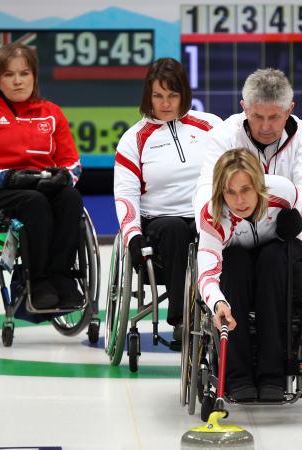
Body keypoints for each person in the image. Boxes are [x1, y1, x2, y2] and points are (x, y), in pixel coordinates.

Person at [0, 42, 84, 310]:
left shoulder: (52, 113)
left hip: (42, 184)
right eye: (9, 75)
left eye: (24, 73)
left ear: (34, 76)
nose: (17, 81)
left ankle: (62, 278)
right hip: (1, 192)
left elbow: (73, 164)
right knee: (33, 202)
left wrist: (65, 178)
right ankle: (37, 282)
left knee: (70, 198)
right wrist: (8, 178)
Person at [114, 58, 222, 349]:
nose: (165, 103)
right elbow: (125, 194)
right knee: (176, 230)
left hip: (207, 215)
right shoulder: (133, 139)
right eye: (158, 95)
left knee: (222, 231)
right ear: (148, 96)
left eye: (172, 95)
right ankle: (182, 320)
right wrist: (132, 236)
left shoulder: (212, 126)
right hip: (160, 221)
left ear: (184, 95)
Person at [197, 148, 302, 402]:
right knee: (234, 260)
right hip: (237, 267)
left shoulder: (284, 193)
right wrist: (218, 303)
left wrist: (297, 226)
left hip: (276, 264)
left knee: (273, 258)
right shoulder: (213, 216)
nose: (239, 201)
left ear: (258, 185)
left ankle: (273, 375)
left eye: (245, 189)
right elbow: (207, 270)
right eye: (230, 192)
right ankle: (238, 377)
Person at [194, 68, 302, 263]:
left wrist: (301, 223)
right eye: (258, 117)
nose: (265, 127)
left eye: (274, 117)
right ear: (245, 108)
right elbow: (208, 185)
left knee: (294, 255)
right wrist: (209, 228)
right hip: (237, 234)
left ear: (289, 109)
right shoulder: (224, 134)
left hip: (289, 230)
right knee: (235, 258)